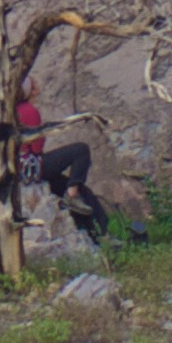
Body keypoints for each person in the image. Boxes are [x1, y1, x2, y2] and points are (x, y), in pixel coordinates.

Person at [13, 91, 109, 243]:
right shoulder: (28, 110)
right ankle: (73, 196)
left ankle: (93, 232)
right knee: (81, 150)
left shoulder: (11, 111)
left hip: (18, 171)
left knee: (82, 192)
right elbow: (36, 148)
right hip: (31, 167)